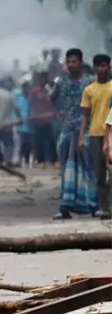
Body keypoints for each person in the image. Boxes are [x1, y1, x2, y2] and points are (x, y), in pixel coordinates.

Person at [50, 48, 97, 219]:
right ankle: (65, 205)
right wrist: (59, 116)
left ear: (81, 63)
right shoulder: (61, 81)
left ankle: (93, 205)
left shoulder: (91, 81)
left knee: (88, 166)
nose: (71, 65)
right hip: (68, 129)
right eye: (69, 62)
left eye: (74, 61)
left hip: (88, 128)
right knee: (66, 167)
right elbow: (51, 99)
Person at [82, 54, 112, 219]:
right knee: (99, 174)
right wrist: (81, 136)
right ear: (94, 68)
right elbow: (85, 116)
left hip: (111, 135)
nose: (101, 69)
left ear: (109, 67)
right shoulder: (89, 90)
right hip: (95, 134)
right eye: (98, 66)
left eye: (104, 65)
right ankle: (105, 208)